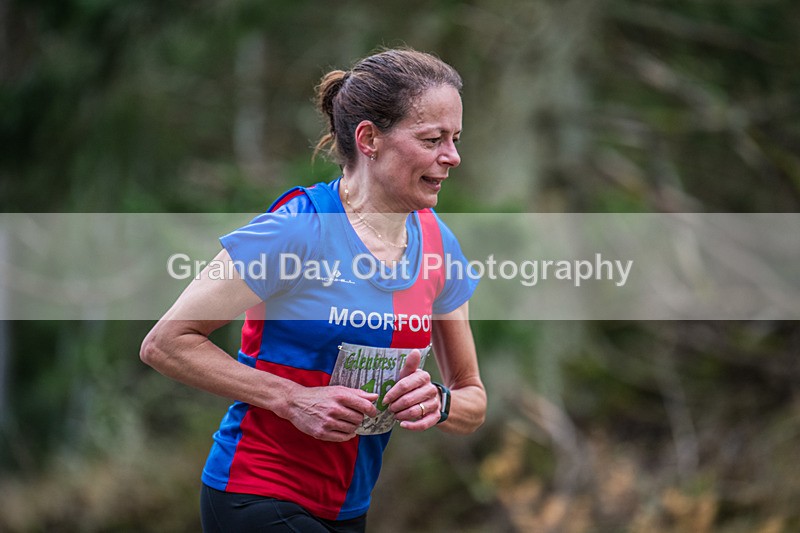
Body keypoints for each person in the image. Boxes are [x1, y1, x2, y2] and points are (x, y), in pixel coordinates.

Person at [140, 47, 487, 532]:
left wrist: (439, 402)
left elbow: (471, 397)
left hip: (349, 510)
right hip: (255, 491)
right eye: (432, 139)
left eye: (454, 138)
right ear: (369, 138)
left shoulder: (439, 246)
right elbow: (166, 344)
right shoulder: (297, 228)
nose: (452, 156)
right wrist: (291, 399)